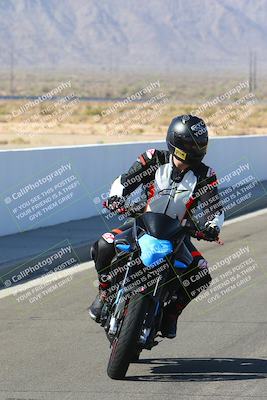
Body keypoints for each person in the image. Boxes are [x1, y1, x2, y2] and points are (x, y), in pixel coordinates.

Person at [89, 114, 224, 338]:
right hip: (140, 224)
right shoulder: (153, 158)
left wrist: (212, 225)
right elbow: (125, 181)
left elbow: (215, 208)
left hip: (177, 234)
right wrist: (116, 197)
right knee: (103, 245)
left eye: (201, 143)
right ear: (176, 142)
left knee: (201, 275)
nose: (196, 148)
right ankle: (104, 293)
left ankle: (171, 314)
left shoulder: (205, 175)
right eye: (191, 143)